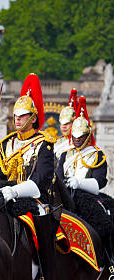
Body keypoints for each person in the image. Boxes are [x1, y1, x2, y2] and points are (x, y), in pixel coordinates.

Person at [55, 96, 113, 274]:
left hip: (88, 196)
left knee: (105, 223)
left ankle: (109, 261)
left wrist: (79, 183)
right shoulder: (66, 154)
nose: (77, 140)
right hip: (65, 196)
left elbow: (100, 181)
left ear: (88, 135)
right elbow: (57, 175)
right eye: (75, 137)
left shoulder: (97, 155)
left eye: (81, 137)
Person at [0, 73, 55, 203]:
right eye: (15, 115)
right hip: (5, 196)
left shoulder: (43, 144)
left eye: (23, 115)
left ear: (33, 118)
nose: (17, 118)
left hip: (33, 198)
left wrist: (16, 191)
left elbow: (41, 179)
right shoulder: (6, 144)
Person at [54, 88, 78, 162]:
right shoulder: (56, 142)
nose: (63, 126)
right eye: (62, 123)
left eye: (67, 123)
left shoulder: (79, 142)